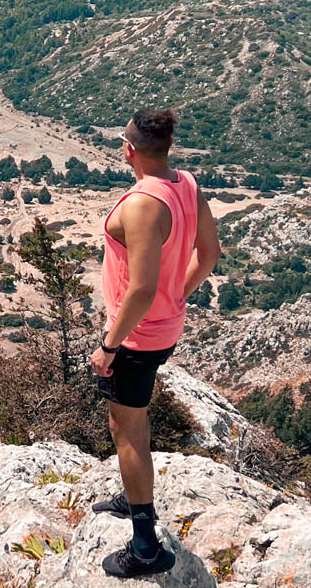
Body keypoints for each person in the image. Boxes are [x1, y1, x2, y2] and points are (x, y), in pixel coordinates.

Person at [89, 108, 221, 578]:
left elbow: (141, 288)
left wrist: (109, 345)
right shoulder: (187, 184)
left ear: (128, 149)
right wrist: (179, 294)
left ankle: (145, 545)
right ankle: (131, 497)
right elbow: (210, 254)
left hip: (137, 338)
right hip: (165, 327)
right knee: (126, 423)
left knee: (130, 433)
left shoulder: (143, 203)